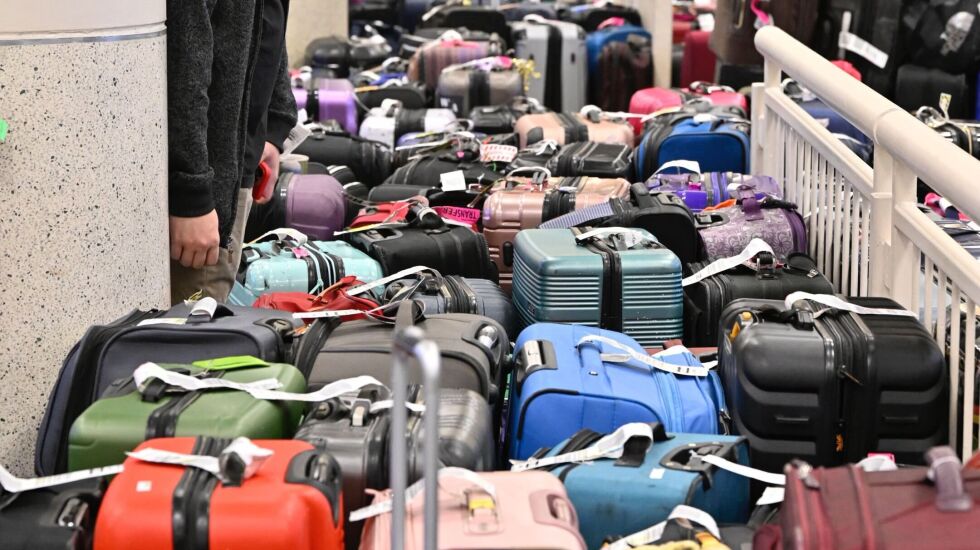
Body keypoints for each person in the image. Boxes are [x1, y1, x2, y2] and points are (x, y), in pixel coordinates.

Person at [167, 0, 296, 304]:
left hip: (235, 164)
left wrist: (274, 124)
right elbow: (185, 59)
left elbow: (264, 16)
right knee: (191, 324)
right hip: (201, 184)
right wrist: (192, 193)